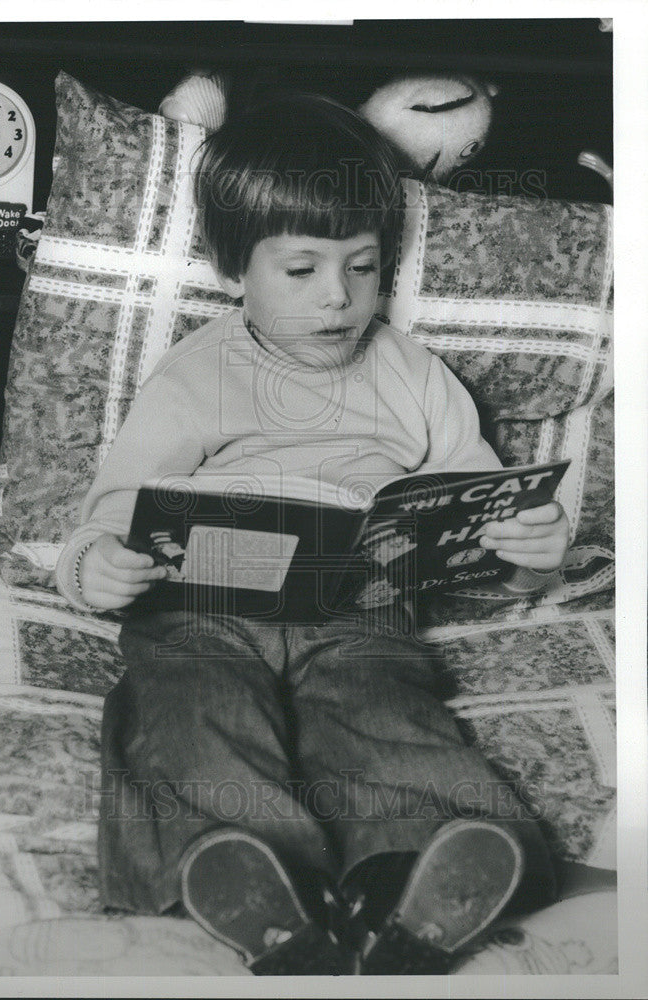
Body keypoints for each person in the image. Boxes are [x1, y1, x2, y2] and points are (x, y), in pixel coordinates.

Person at [55, 93, 570, 975]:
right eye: (301, 271)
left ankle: (410, 875)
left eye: (363, 268)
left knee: (382, 714)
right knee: (188, 707)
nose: (338, 296)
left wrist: (525, 548)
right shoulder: (194, 375)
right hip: (204, 604)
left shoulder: (412, 373)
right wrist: (94, 566)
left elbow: (479, 506)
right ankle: (249, 881)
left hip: (357, 608)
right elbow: (116, 507)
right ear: (232, 272)